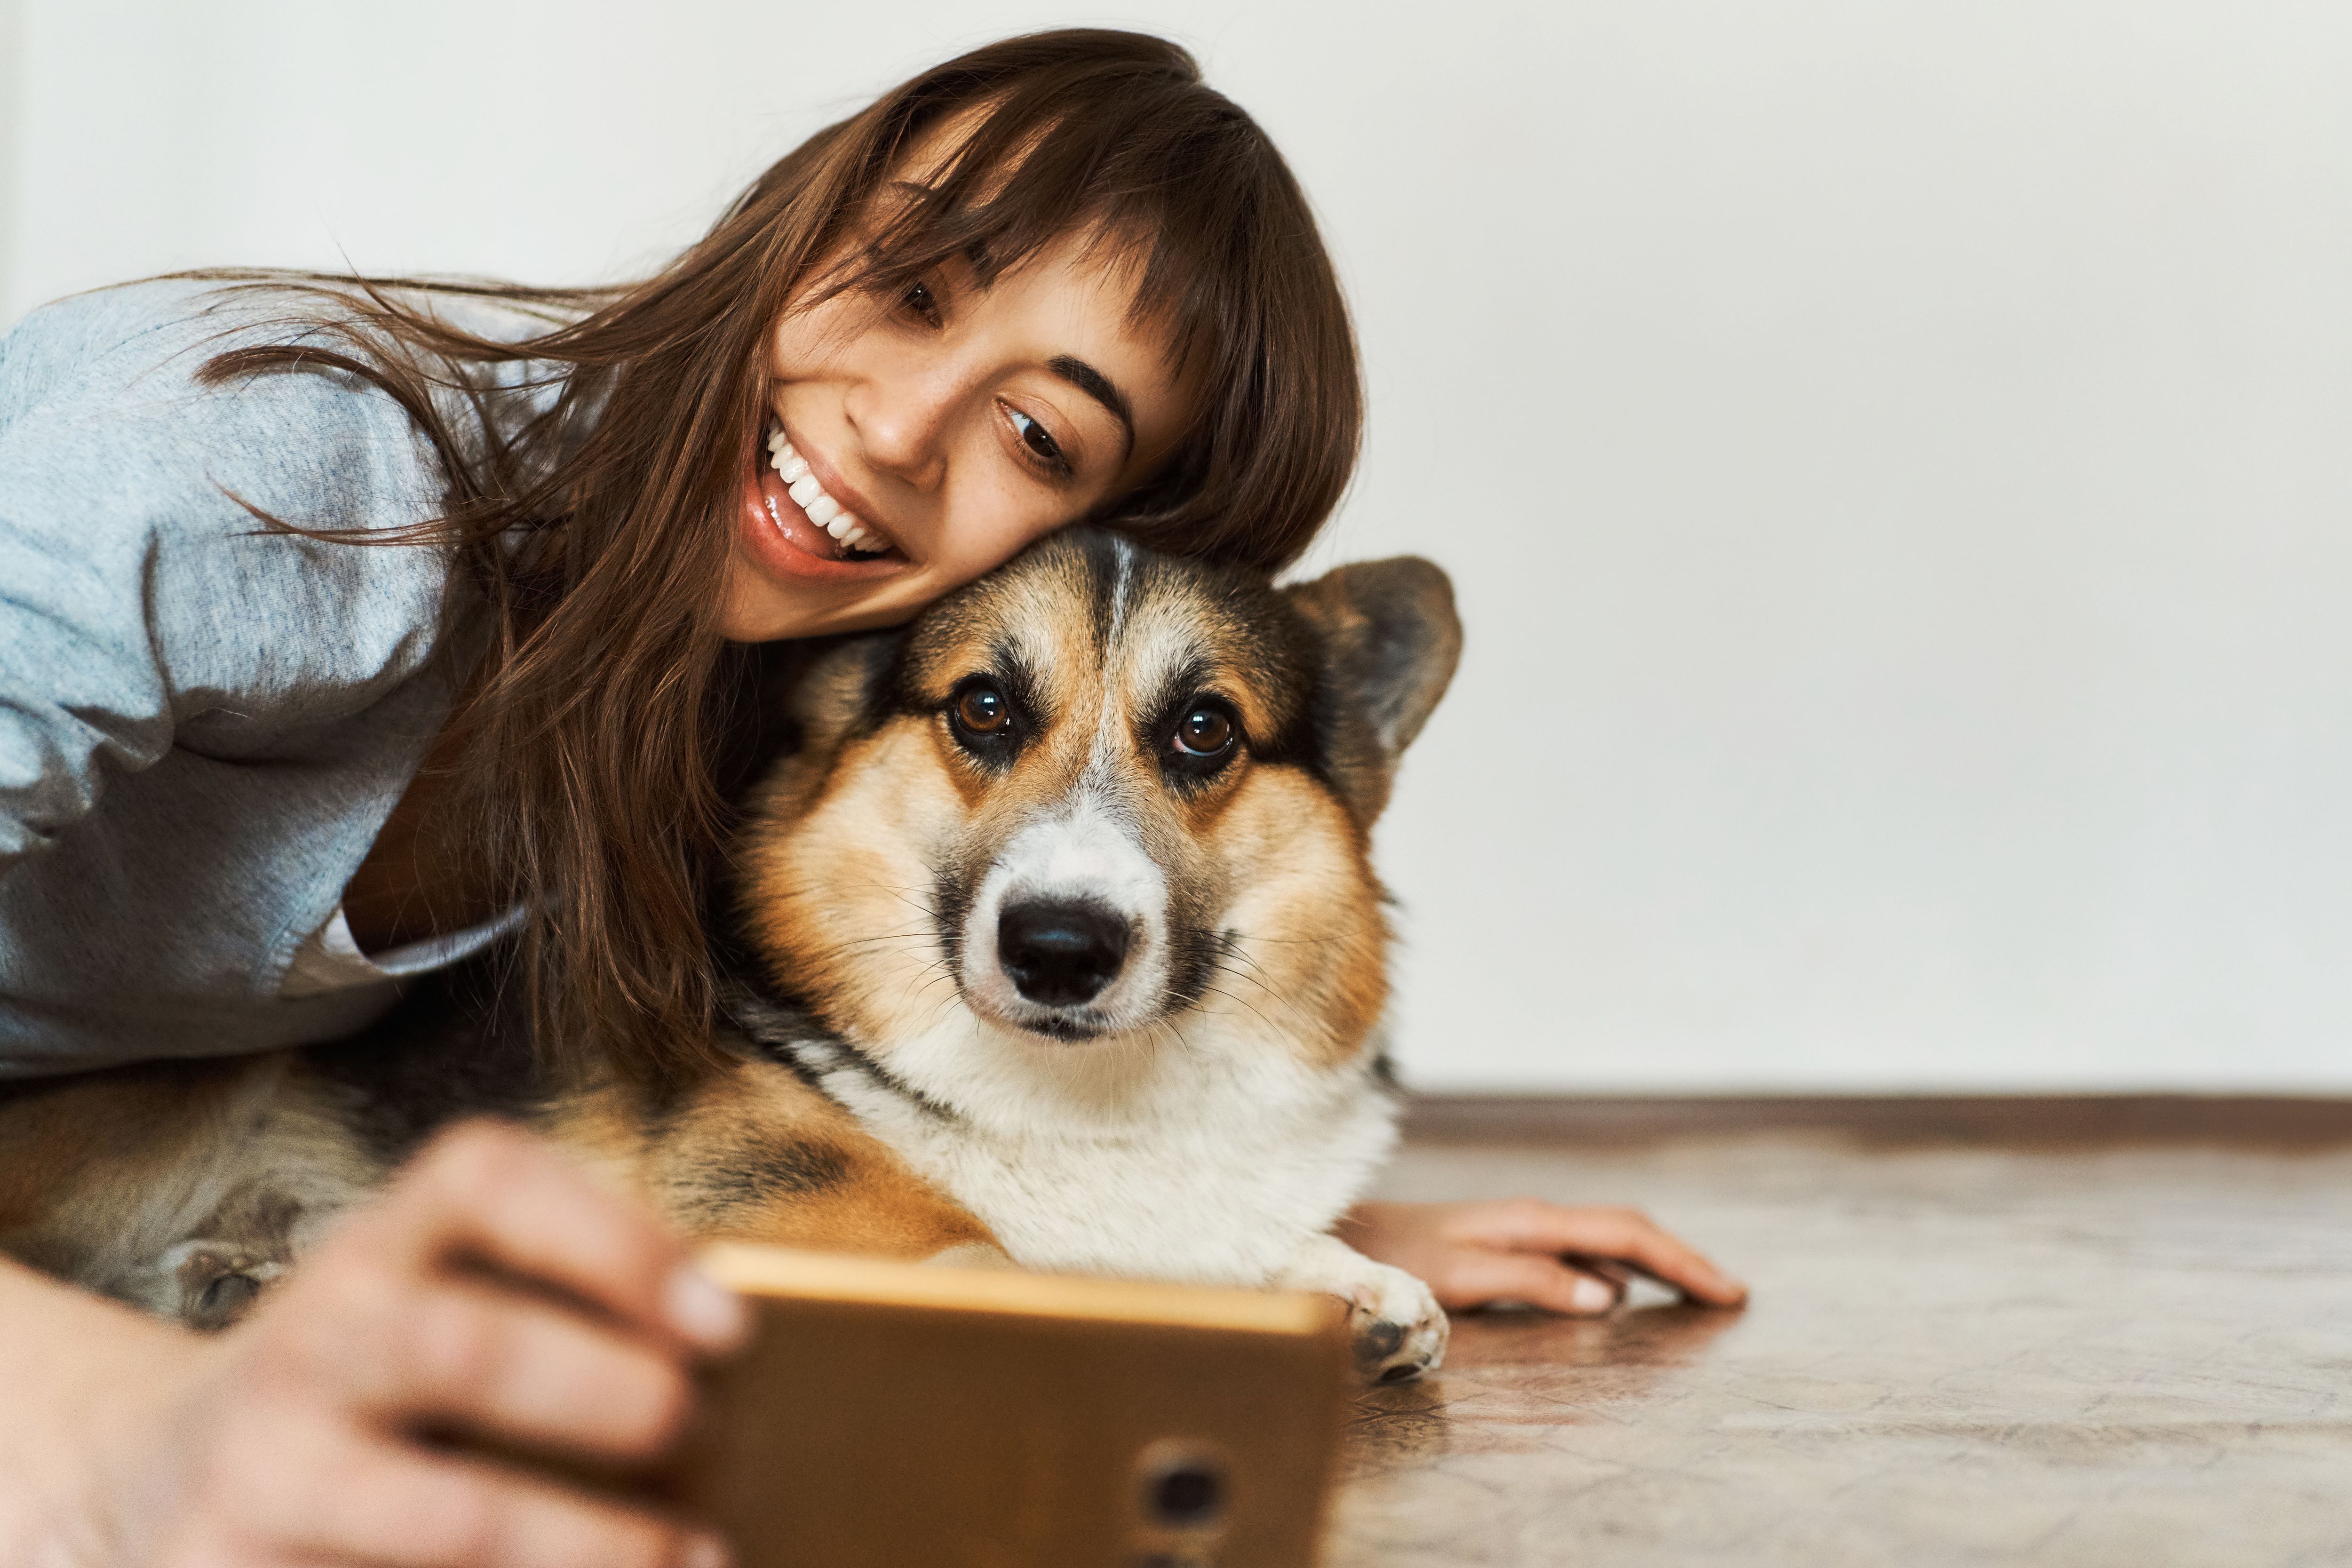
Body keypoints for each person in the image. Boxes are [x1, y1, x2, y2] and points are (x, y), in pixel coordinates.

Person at [0, 30, 1745, 1567]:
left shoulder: (762, 694)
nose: (904, 430)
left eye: (1042, 439)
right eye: (913, 287)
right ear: (797, 214)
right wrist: (119, 1447)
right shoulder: (253, 469)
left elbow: (726, 1120)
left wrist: (1214, 1231)